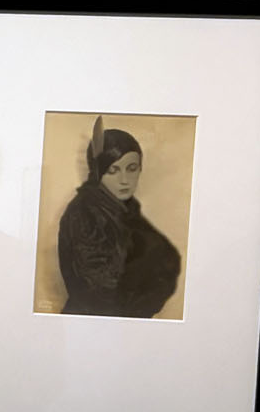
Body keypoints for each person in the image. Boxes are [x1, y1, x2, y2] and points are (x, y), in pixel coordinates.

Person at [56, 117, 180, 317]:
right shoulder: (85, 213)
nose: (124, 180)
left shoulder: (125, 208)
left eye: (131, 169)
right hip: (91, 325)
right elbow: (99, 291)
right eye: (113, 170)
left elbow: (169, 260)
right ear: (98, 173)